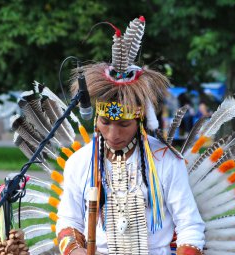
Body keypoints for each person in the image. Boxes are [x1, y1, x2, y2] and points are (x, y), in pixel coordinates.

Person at [56, 16, 204, 255]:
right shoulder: (80, 163)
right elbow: (67, 220)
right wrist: (74, 250)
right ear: (96, 119)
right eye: (105, 122)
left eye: (124, 124)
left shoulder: (166, 161)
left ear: (140, 121)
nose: (113, 134)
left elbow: (189, 225)